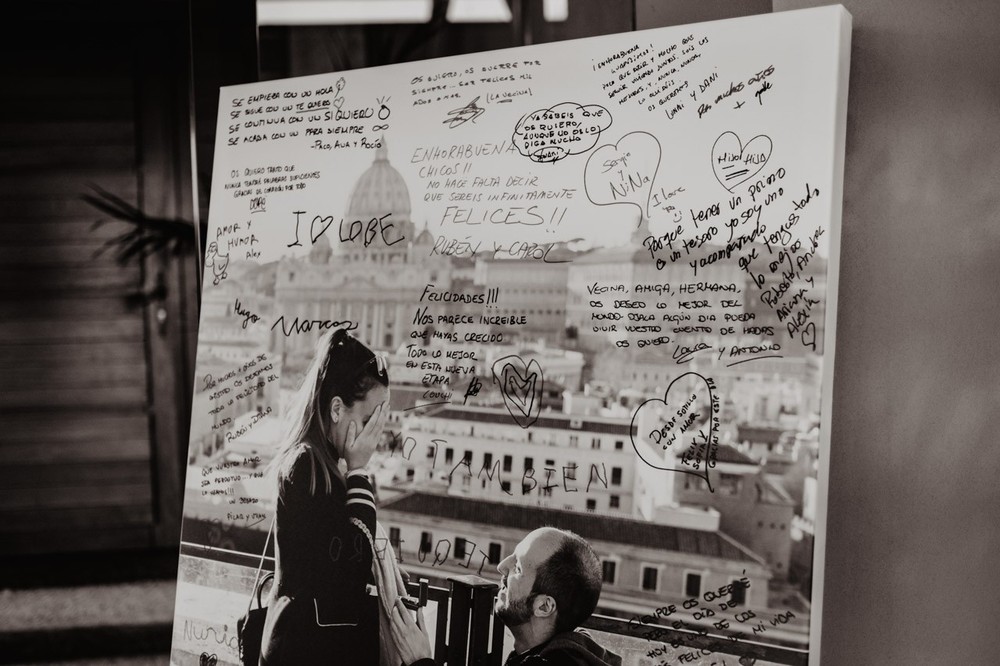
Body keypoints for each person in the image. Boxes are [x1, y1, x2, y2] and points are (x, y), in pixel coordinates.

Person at [260, 328, 389, 665]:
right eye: (367, 419)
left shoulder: (321, 463)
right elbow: (351, 568)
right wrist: (359, 471)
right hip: (302, 649)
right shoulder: (307, 465)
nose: (374, 433)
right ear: (336, 408)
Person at [389, 527, 621, 666]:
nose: (501, 566)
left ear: (544, 606)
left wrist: (419, 660)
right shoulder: (568, 655)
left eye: (518, 568)